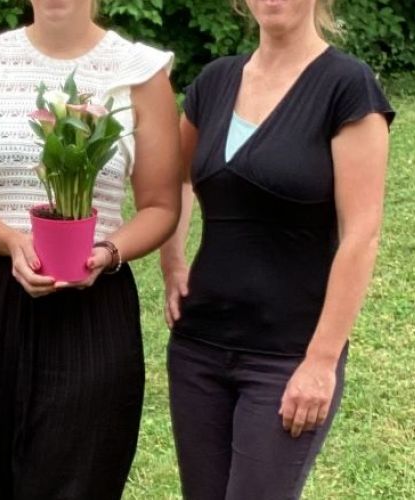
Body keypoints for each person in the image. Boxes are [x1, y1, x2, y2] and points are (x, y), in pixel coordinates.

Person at [0, 0, 181, 497]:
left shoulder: (139, 71)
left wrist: (108, 251)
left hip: (91, 302)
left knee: (81, 479)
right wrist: (10, 241)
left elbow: (161, 206)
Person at [159, 0, 395, 498]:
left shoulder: (346, 87)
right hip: (199, 348)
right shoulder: (214, 82)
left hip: (287, 357)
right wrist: (172, 261)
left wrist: (321, 361)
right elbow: (175, 179)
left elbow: (361, 234)